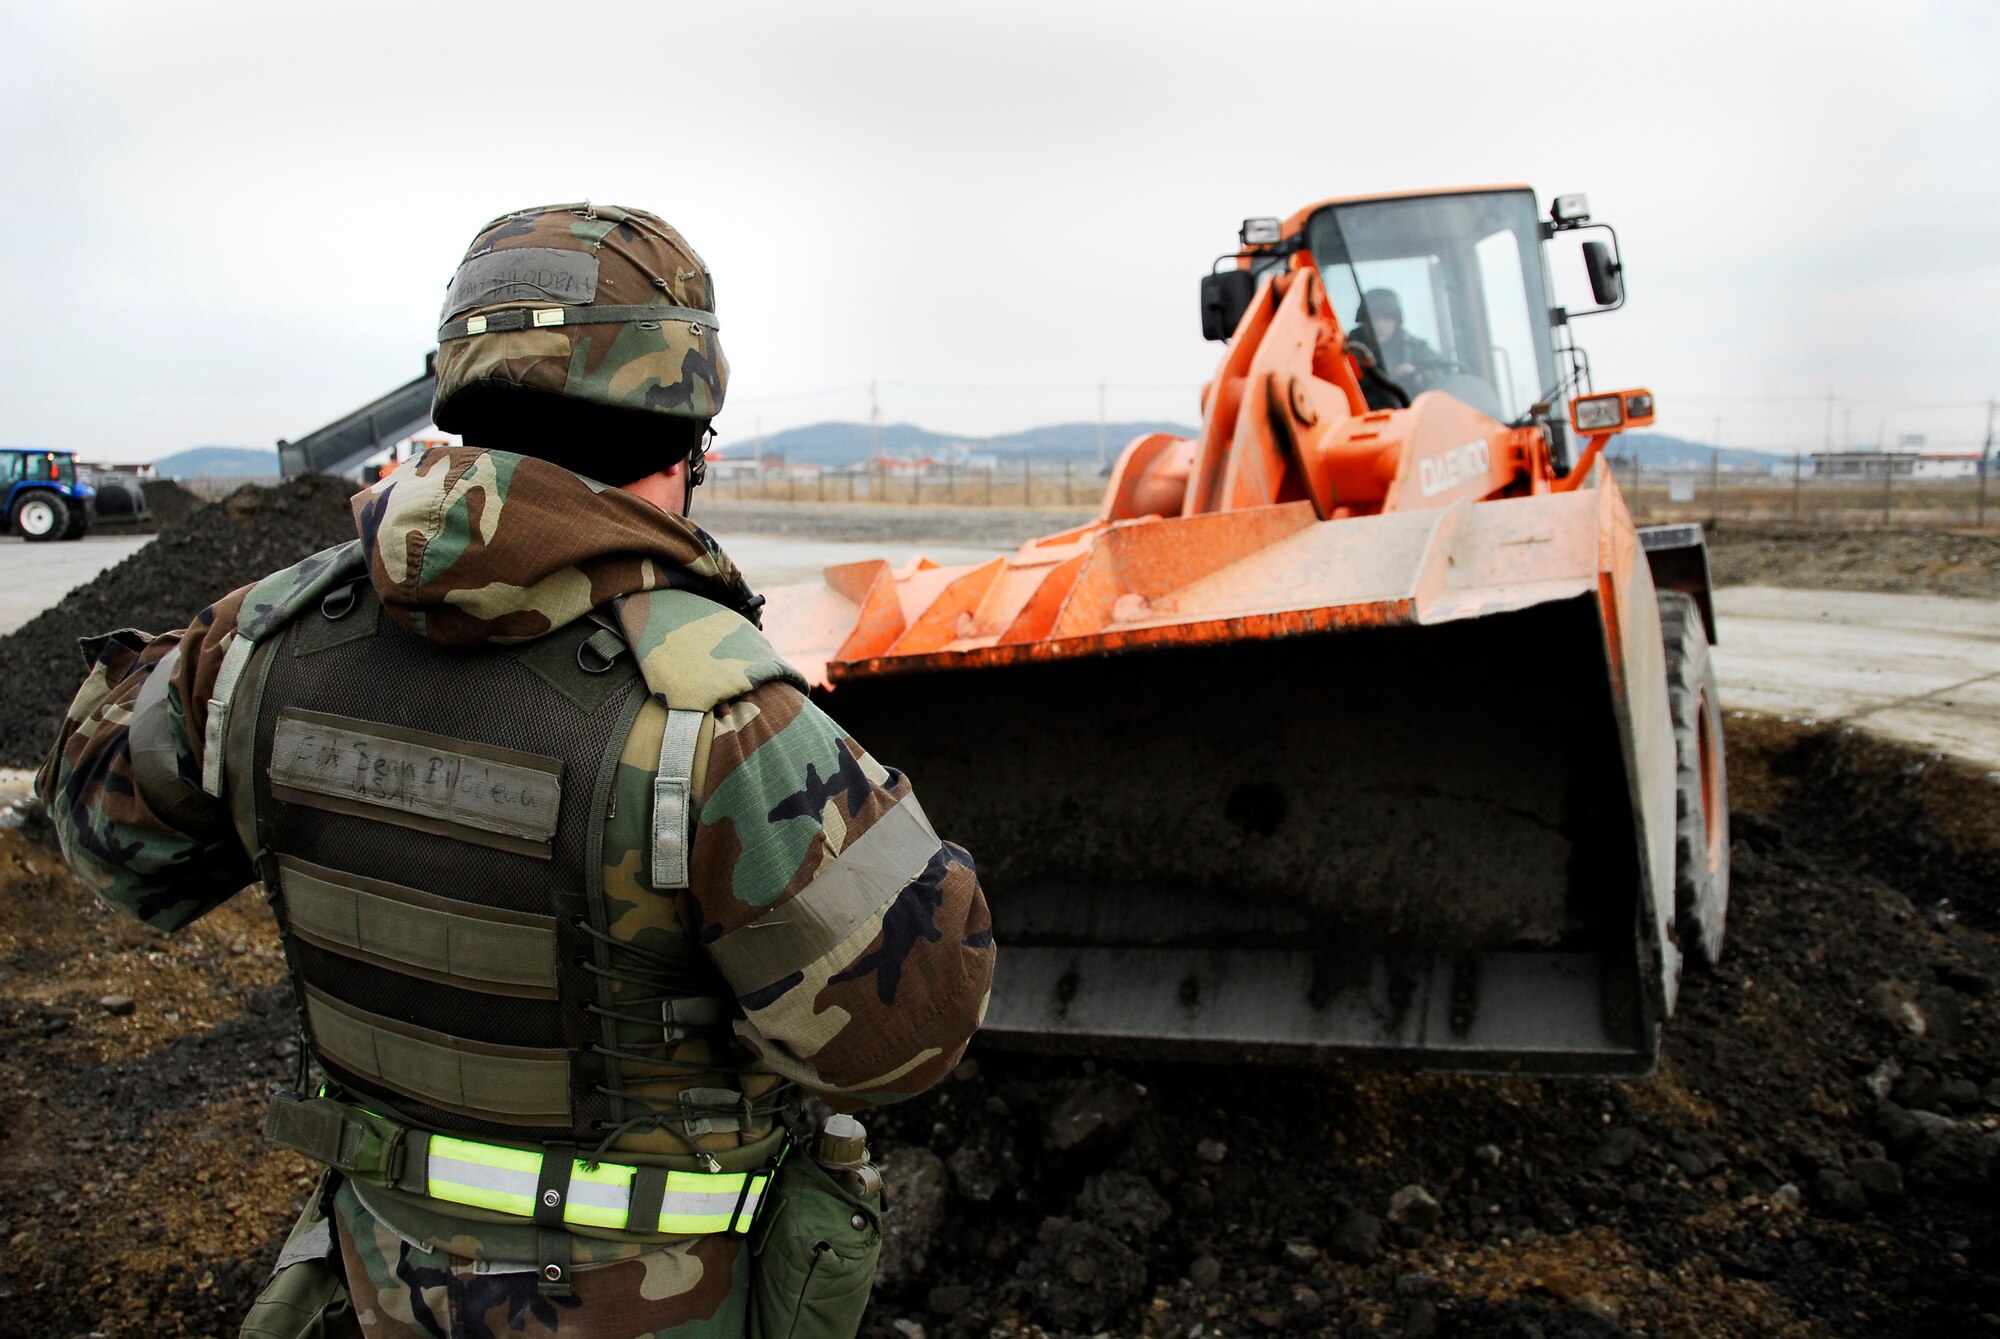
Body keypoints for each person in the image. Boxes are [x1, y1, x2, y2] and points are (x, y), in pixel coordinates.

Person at [36, 202, 996, 1339]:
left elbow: (113, 845)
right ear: (687, 437)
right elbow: (909, 1036)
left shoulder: (257, 641)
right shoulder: (722, 715)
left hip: (376, 1279)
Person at [1350, 287, 1441, 388]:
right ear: (1363, 321)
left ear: (1396, 321)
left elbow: (1443, 372)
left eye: (1387, 319)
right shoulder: (1345, 348)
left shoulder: (1414, 347)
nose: (1380, 325)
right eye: (1374, 318)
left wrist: (1418, 373)